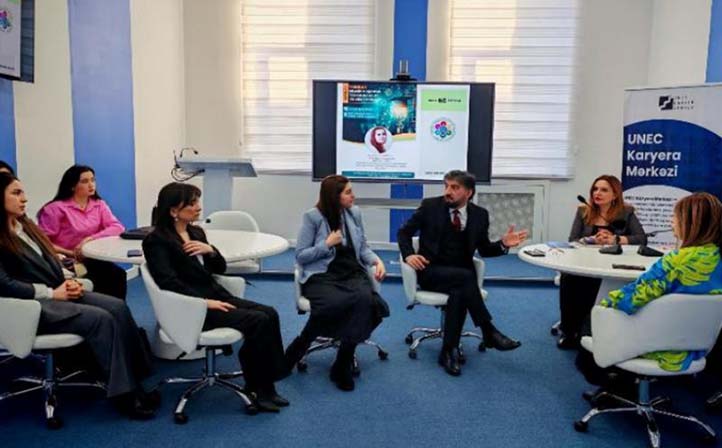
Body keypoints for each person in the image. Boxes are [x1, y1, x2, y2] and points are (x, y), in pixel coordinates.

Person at [0, 173, 157, 419]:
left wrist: (69, 280)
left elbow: (50, 260)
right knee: (101, 319)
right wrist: (52, 293)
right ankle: (124, 395)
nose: (24, 199)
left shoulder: (24, 226)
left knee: (117, 307)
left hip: (57, 292)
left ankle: (137, 379)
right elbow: (5, 285)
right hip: (28, 307)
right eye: (16, 193)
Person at [142, 182, 289, 412]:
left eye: (197, 201)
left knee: (270, 313)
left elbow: (219, 269)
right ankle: (261, 388)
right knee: (258, 321)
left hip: (215, 296)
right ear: (173, 210)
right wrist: (203, 303)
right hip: (191, 307)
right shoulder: (156, 241)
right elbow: (168, 282)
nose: (198, 207)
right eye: (192, 203)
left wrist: (210, 250)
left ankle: (263, 383)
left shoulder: (196, 232)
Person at [577, 192, 722, 396]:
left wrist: (604, 304)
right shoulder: (716, 258)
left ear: (690, 223)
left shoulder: (676, 262)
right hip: (694, 344)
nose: (671, 222)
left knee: (591, 320)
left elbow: (631, 298)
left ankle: (619, 385)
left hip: (653, 343)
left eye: (675, 217)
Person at [397, 170, 527, 376]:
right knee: (465, 279)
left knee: (460, 290)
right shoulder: (430, 206)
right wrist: (408, 255)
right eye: (446, 186)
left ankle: (448, 351)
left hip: (461, 277)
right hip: (431, 271)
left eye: (455, 187)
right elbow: (403, 233)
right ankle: (488, 330)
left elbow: (484, 250)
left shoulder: (480, 215)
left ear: (469, 192)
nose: (448, 191)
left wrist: (503, 244)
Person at [287, 175, 390, 391]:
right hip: (322, 274)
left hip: (351, 271)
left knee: (368, 302)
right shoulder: (313, 217)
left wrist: (377, 261)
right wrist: (326, 244)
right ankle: (302, 343)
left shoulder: (354, 213)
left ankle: (342, 362)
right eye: (348, 192)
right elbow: (301, 255)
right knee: (335, 303)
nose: (353, 196)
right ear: (334, 196)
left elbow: (363, 248)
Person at [557, 175, 646, 349]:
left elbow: (641, 239)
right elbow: (573, 239)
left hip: (613, 262)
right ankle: (569, 330)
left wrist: (615, 239)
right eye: (595, 189)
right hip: (585, 261)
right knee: (568, 277)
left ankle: (589, 329)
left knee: (596, 282)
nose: (597, 193)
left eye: (604, 190)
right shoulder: (583, 210)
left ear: (615, 194)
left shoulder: (626, 212)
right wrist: (591, 240)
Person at [37, 165, 127, 300]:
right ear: (72, 186)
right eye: (85, 181)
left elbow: (117, 227)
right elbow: (42, 242)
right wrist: (71, 252)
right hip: (67, 259)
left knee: (118, 275)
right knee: (105, 278)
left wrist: (89, 239)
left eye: (93, 180)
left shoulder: (98, 204)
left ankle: (117, 310)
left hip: (92, 256)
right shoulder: (55, 209)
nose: (91, 185)